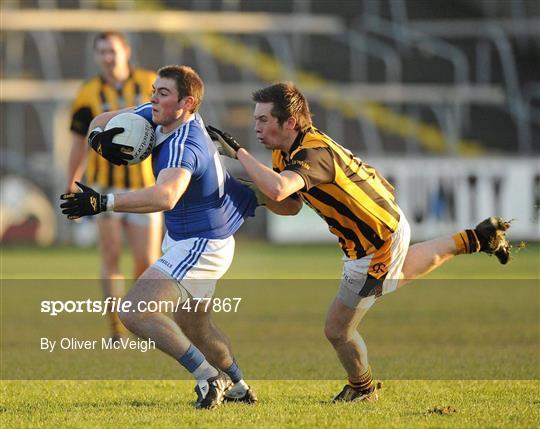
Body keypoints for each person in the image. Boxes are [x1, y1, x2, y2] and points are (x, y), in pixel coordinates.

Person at [206, 81, 512, 402]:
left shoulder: (314, 153)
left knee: (337, 329)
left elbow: (281, 189)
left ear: (291, 122)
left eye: (264, 120)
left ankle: (363, 388)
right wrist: (253, 192)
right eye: (256, 119)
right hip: (381, 230)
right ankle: (476, 238)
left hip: (375, 244)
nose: (256, 127)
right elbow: (290, 205)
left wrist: (238, 154)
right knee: (399, 273)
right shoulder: (286, 152)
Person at [60, 65, 258, 409]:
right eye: (153, 89)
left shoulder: (185, 142)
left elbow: (165, 196)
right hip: (189, 238)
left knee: (135, 310)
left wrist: (103, 202)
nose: (152, 97)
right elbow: (98, 121)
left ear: (187, 102)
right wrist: (98, 139)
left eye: (162, 93)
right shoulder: (155, 115)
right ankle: (238, 385)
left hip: (202, 243)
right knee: (196, 328)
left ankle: (209, 379)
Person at [65, 31, 162, 342]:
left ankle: (143, 320)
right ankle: (116, 329)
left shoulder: (150, 83)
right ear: (96, 56)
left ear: (126, 51)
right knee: (110, 256)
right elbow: (79, 142)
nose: (108, 57)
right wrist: (72, 180)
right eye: (102, 51)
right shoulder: (88, 92)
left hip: (144, 187)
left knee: (146, 260)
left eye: (113, 50)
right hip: (102, 187)